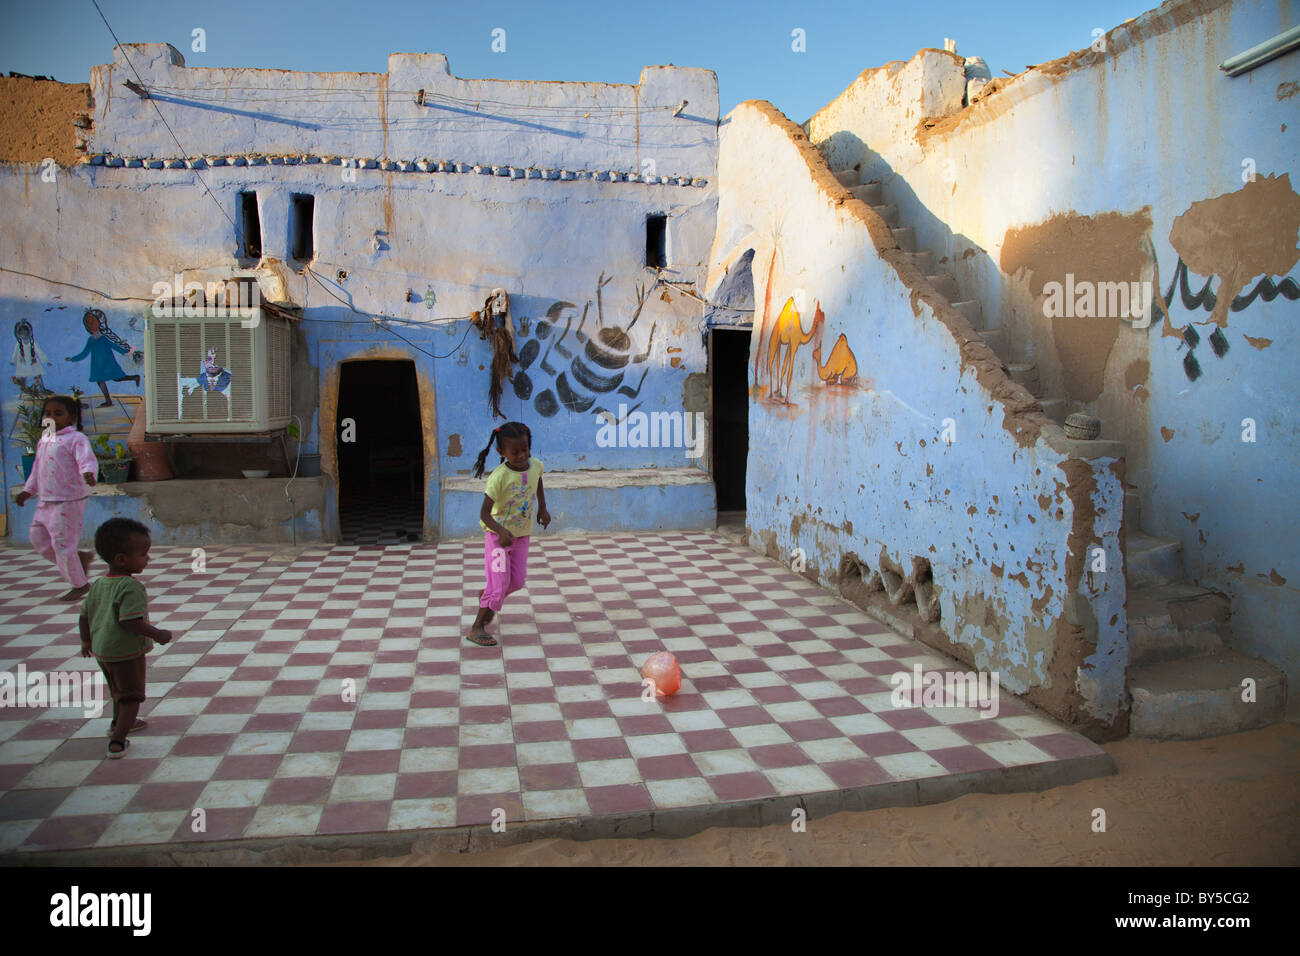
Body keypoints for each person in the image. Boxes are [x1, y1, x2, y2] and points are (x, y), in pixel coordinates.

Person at [79, 518, 174, 758]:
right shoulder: (130, 587)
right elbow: (130, 622)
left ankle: (117, 723)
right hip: (124, 651)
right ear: (122, 559)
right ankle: (118, 741)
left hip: (103, 651)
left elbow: (84, 615)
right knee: (132, 695)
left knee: (117, 691)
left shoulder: (99, 584)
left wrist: (86, 641)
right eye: (143, 554)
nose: (147, 559)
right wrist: (158, 634)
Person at [467, 421, 551, 646]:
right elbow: (484, 514)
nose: (522, 456)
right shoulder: (499, 477)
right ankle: (477, 627)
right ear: (501, 452)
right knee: (498, 585)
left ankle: (488, 596)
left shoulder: (535, 466)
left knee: (517, 581)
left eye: (525, 450)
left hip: (521, 535)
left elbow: (538, 480)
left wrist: (543, 507)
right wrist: (501, 531)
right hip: (498, 539)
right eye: (515, 452)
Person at [14, 394, 96, 600]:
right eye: (48, 413)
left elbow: (86, 459)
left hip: (68, 500)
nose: (52, 417)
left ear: (71, 417)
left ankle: (80, 584)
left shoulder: (77, 439)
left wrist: (89, 473)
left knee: (62, 543)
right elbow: (37, 469)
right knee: (38, 539)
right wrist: (28, 490)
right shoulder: (45, 439)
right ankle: (77, 559)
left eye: (58, 413)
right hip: (45, 500)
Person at [66, 308, 141, 407]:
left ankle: (135, 377)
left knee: (117, 378)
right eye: (88, 323)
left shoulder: (103, 338)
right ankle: (108, 401)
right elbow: (84, 353)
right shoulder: (91, 340)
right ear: (86, 326)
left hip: (108, 363)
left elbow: (114, 346)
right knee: (100, 381)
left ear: (98, 322)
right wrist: (72, 359)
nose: (91, 324)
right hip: (97, 365)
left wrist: (127, 352)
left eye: (93, 321)